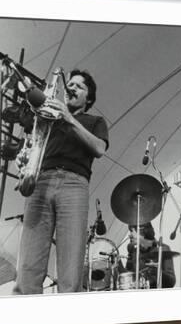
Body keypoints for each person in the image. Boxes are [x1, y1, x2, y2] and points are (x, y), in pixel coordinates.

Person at [13, 69, 109, 294]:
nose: (71, 88)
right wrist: (25, 159)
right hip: (42, 181)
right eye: (71, 84)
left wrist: (68, 117)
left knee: (70, 269)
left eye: (79, 86)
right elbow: (34, 141)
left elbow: (99, 148)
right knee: (28, 265)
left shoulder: (95, 121)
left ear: (89, 99)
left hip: (74, 185)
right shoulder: (48, 118)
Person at [120, 222, 176, 289]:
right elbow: (129, 277)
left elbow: (171, 282)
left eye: (132, 231)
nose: (130, 235)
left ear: (143, 232)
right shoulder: (133, 250)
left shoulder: (163, 248)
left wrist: (156, 271)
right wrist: (118, 264)